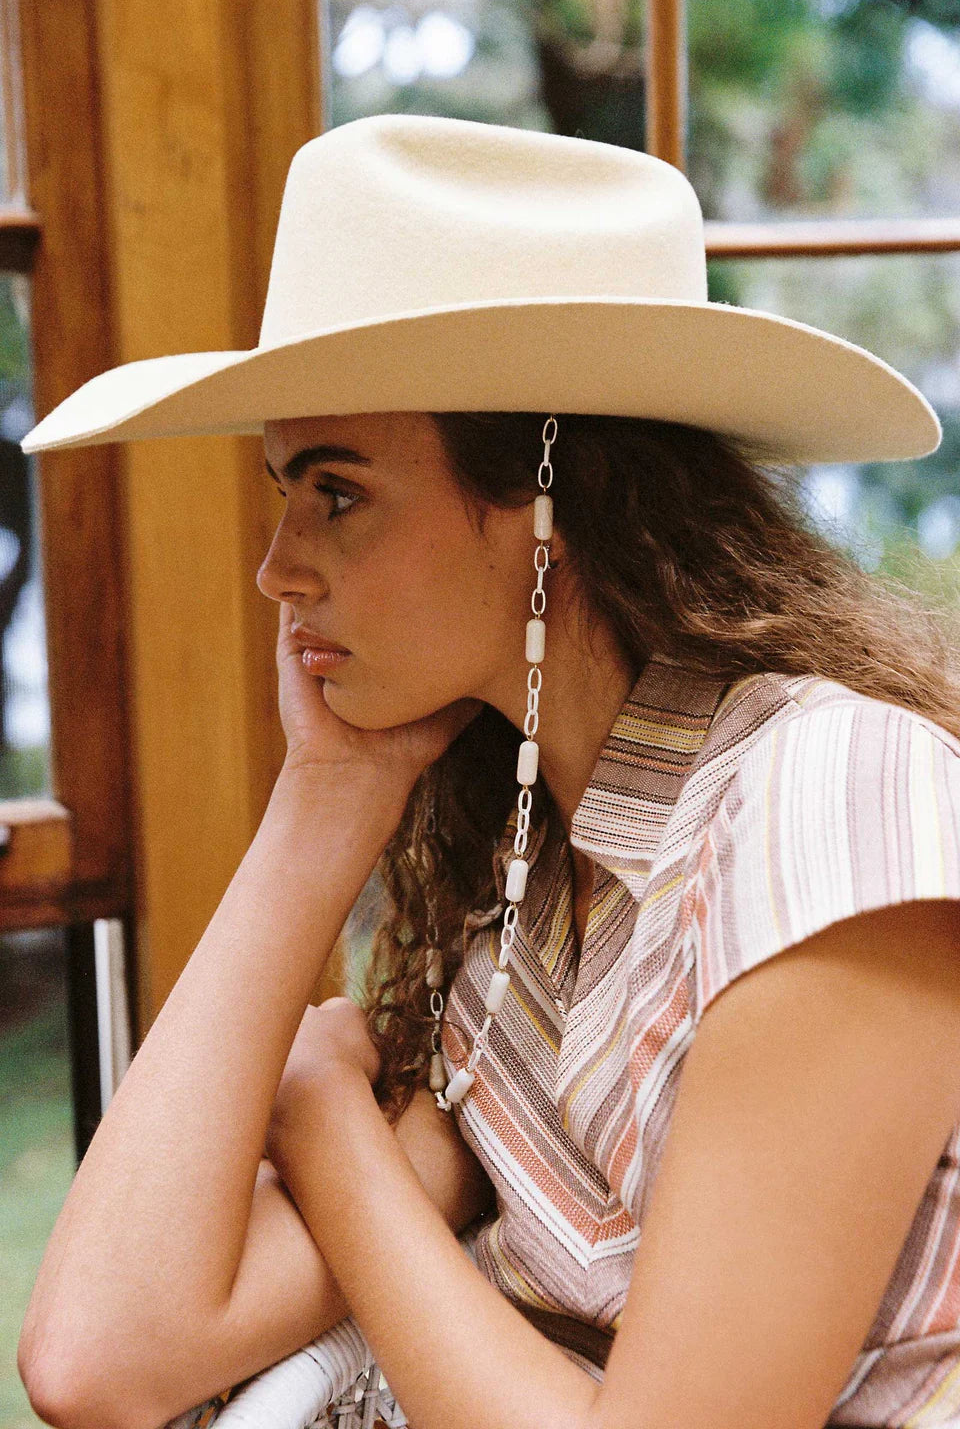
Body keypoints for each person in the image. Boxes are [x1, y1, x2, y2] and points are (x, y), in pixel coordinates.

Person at [16, 114, 960, 1429]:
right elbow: (100, 1357)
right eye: (284, 492)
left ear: (546, 501)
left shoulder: (833, 804)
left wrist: (326, 1125)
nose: (275, 568)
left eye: (335, 492)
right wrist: (327, 796)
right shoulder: (523, 910)